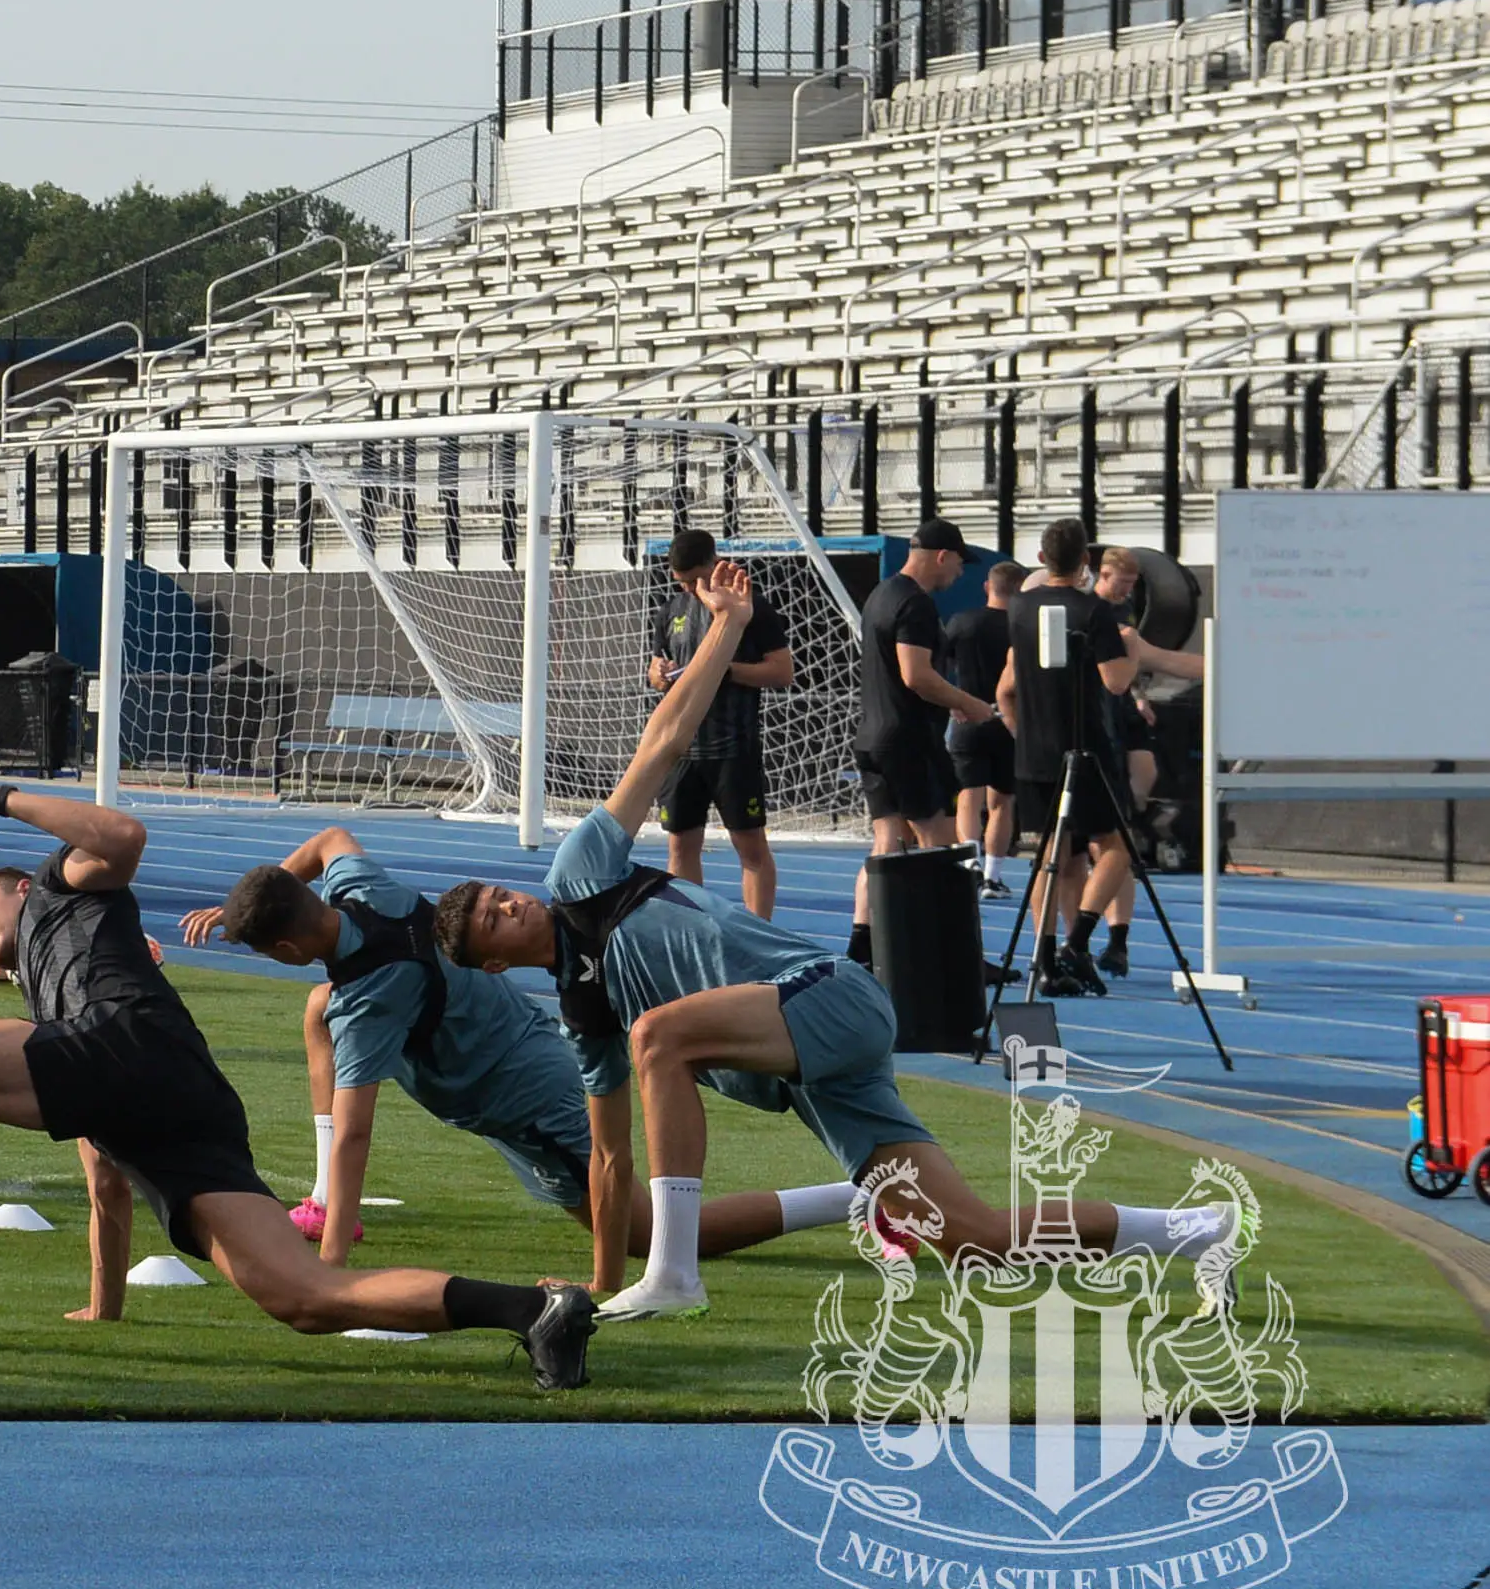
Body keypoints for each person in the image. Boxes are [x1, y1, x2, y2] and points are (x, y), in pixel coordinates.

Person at [429, 554, 1242, 1318]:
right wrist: (600, 1285)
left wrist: (726, 624)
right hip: (813, 1077)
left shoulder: (578, 876)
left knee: (658, 1036)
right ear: (494, 964)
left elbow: (665, 740)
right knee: (972, 1240)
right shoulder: (583, 1014)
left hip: (828, 998)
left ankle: (674, 1273)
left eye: (502, 895)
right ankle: (1195, 1230)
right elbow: (609, 1162)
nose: (512, 905)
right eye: (494, 918)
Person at [0, 757, 599, 1388]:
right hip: (174, 1097)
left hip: (132, 1046)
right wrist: (104, 1305)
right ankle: (533, 1311)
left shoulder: (61, 884)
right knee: (303, 1298)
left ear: (17, 888)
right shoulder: (50, 1005)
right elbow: (103, 1174)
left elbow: (124, 833)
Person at [186, 825, 848, 1277]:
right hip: (519, 1052)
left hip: (528, 1098)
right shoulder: (361, 888)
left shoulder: (367, 1003)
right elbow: (330, 839)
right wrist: (258, 899)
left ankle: (856, 1197)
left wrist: (329, 1268)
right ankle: (323, 1196)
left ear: (286, 951)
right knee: (316, 1008)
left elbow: (355, 1132)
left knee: (650, 1235)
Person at [1002, 521, 1147, 999]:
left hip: (1034, 752)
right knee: (1116, 847)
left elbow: (1007, 685)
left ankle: (1044, 961)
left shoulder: (1020, 607)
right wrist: (1133, 651)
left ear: (1042, 558)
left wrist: (1020, 730)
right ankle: (1078, 939)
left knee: (1050, 857)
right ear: (1086, 560)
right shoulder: (1093, 611)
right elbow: (1116, 682)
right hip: (1085, 752)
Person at [845, 524, 995, 963]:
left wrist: (949, 703)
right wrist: (967, 702)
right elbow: (916, 675)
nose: (959, 574)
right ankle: (954, 955)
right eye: (959, 564)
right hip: (909, 740)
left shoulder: (882, 594)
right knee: (940, 847)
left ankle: (863, 945)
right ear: (943, 556)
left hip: (874, 736)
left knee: (887, 843)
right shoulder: (916, 603)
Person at [642, 528, 793, 919]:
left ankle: (758, 934)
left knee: (751, 847)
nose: (690, 589)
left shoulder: (752, 608)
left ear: (714, 563)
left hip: (733, 748)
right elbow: (655, 669)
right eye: (681, 582)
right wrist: (658, 674)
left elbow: (782, 671)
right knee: (680, 846)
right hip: (681, 749)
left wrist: (725, 670)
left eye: (695, 579)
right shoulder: (670, 610)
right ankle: (690, 927)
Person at [1090, 545, 1208, 979]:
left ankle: (1115, 938)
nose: (1127, 591)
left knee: (1144, 776)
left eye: (1132, 584)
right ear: (1101, 576)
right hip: (1091, 723)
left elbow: (1144, 660)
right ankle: (1081, 934)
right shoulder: (1086, 613)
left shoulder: (1124, 616)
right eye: (1121, 583)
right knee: (1097, 846)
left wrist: (1138, 696)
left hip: (1121, 712)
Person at [942, 558, 1024, 908]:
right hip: (1008, 719)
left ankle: (970, 859)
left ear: (988, 587)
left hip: (967, 715)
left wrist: (951, 701)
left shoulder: (962, 622)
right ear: (1019, 590)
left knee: (968, 795)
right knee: (1002, 801)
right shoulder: (1022, 627)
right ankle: (993, 875)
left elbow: (938, 664)